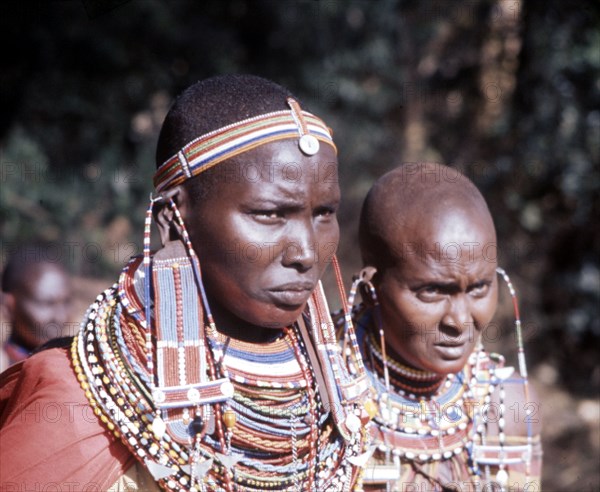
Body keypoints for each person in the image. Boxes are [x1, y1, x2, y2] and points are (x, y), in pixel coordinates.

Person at [0, 75, 372, 491]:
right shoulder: (78, 400)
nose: (306, 251)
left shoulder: (346, 388)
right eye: (270, 214)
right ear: (174, 221)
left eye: (324, 213)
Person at [344, 163, 542, 491]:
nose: (460, 321)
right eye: (433, 291)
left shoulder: (507, 406)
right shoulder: (321, 392)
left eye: (478, 288)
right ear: (371, 291)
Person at [0, 244, 72, 372]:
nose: (60, 317)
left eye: (66, 303)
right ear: (8, 307)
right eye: (46, 304)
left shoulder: (73, 372)